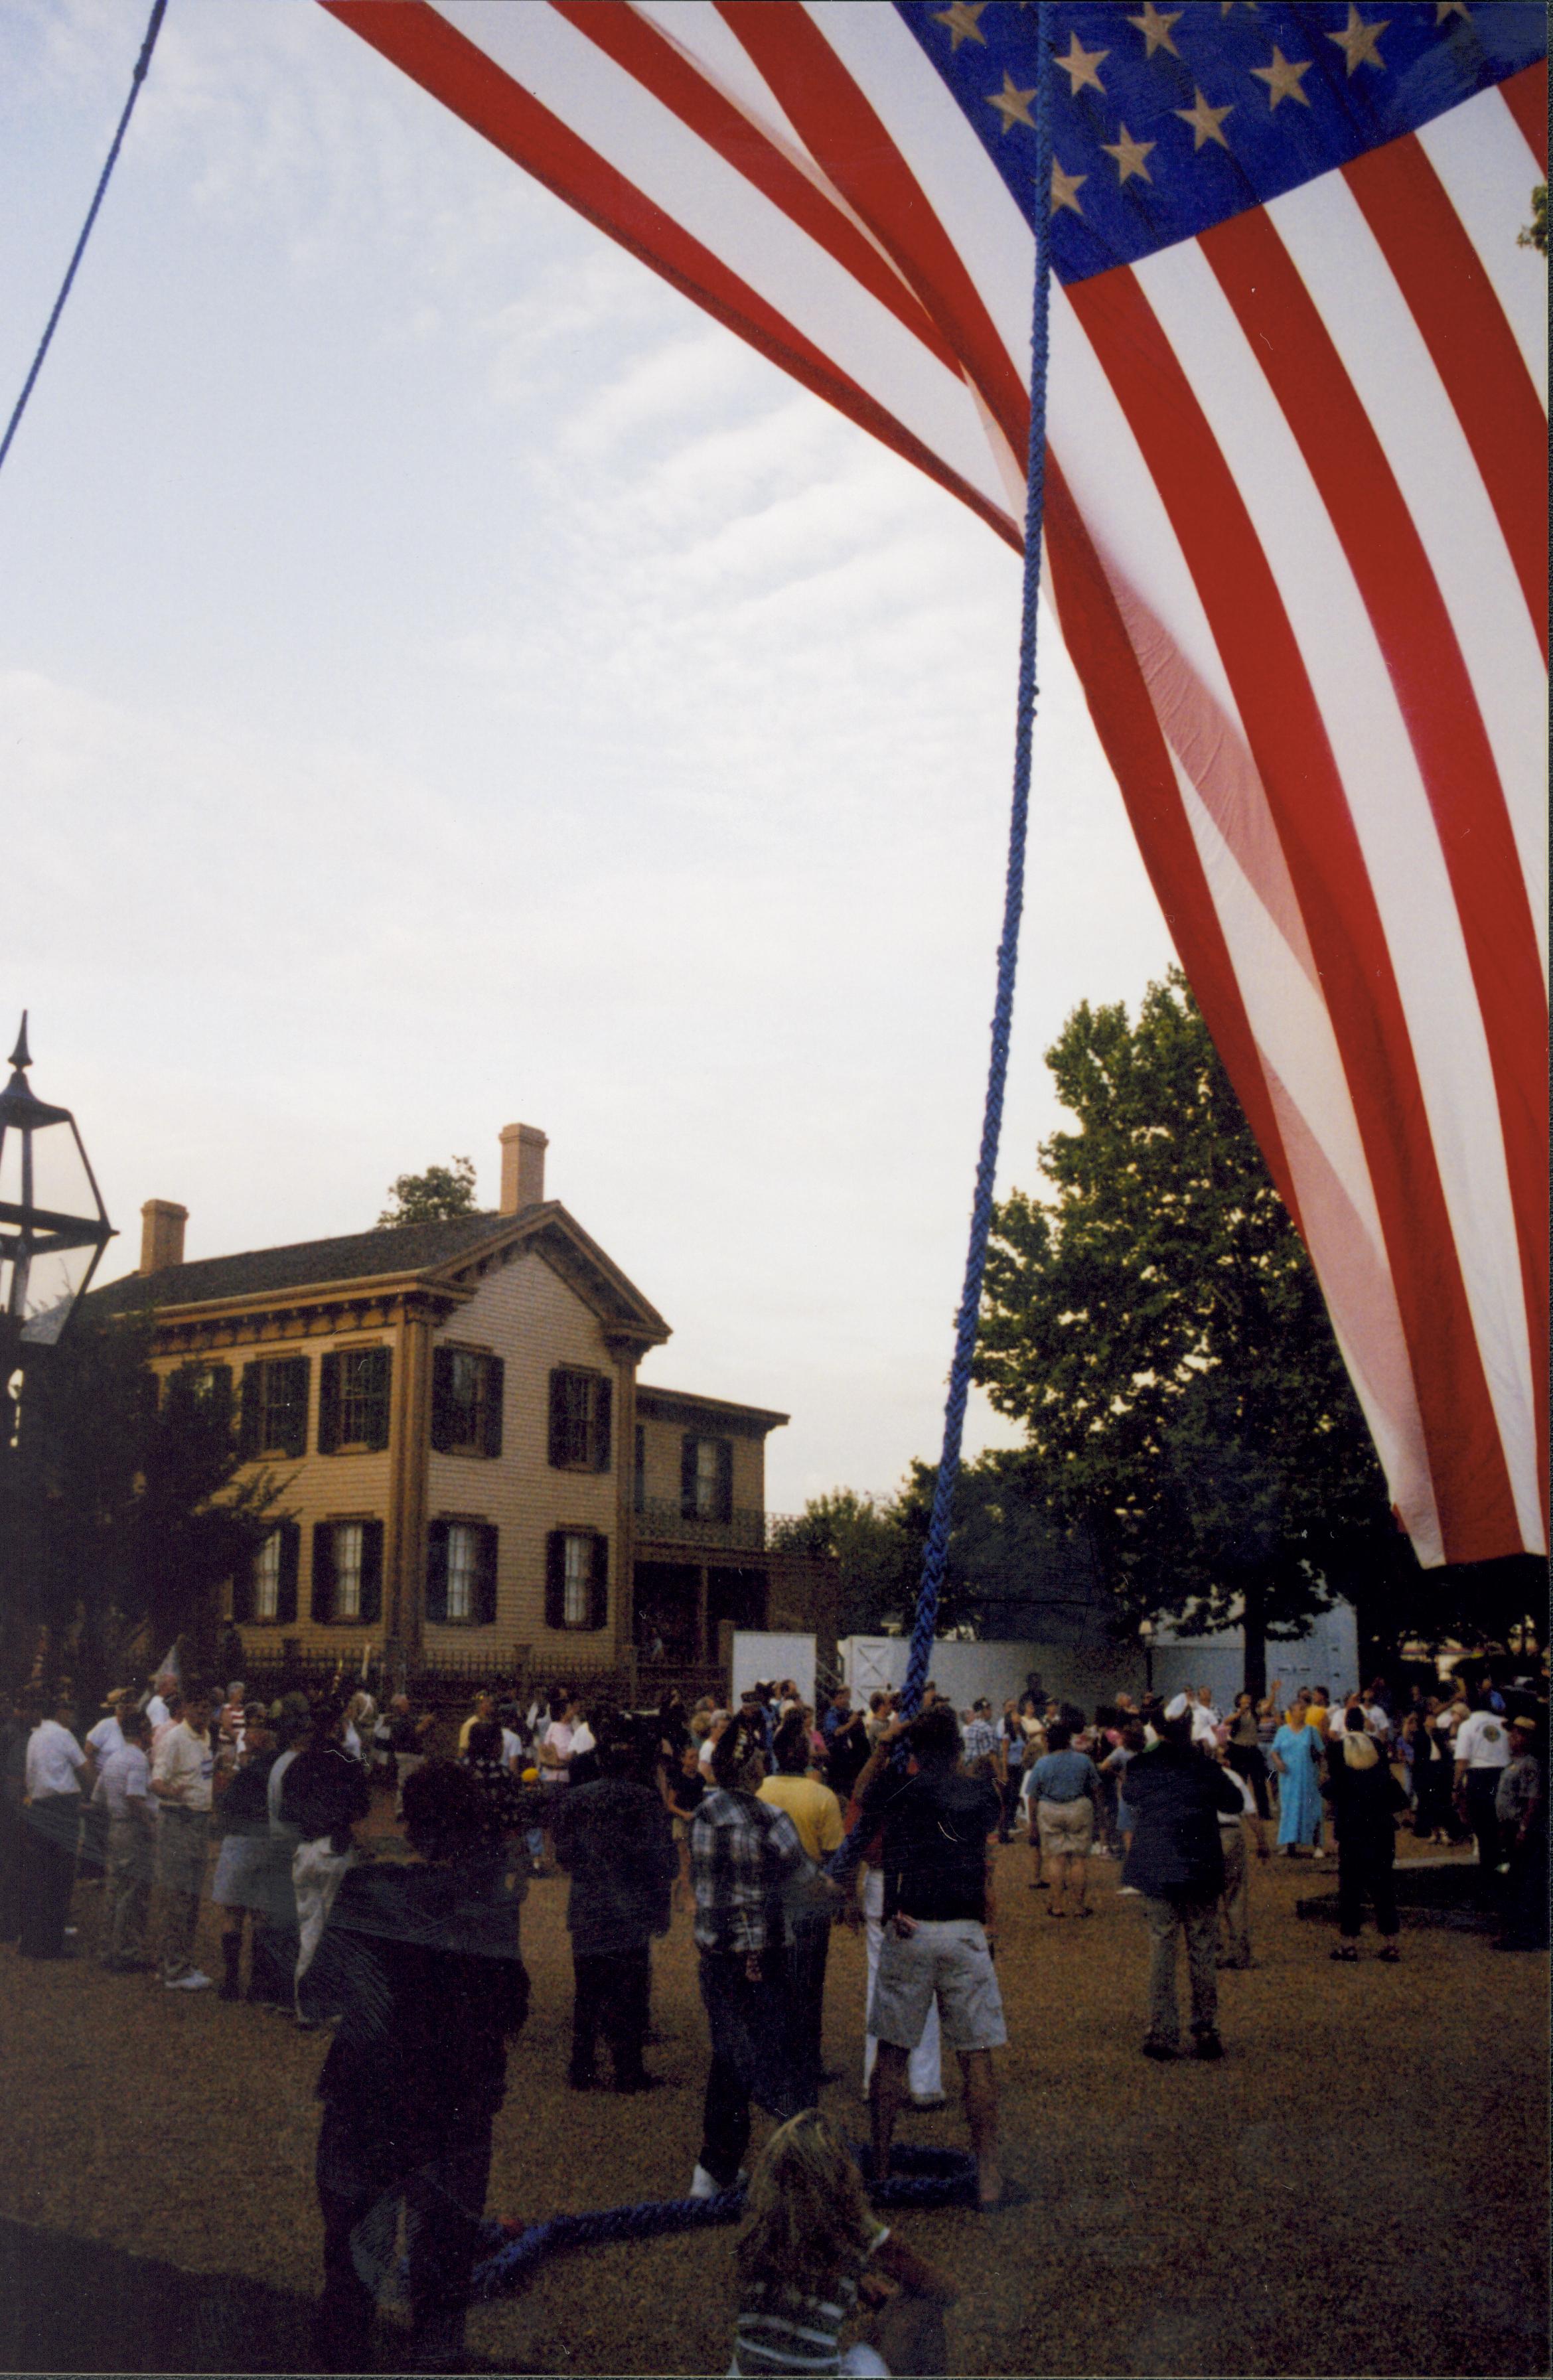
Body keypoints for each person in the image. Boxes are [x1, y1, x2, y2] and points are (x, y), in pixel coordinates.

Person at [308, 1760, 530, 2372]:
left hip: (367, 2094)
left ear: (413, 1825)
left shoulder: (369, 1887)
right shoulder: (488, 1897)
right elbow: (512, 2004)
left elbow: (321, 1989)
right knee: (442, 2272)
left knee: (353, 2265)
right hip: (455, 2100)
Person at [855, 1705, 1008, 2209]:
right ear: (958, 1748)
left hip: (911, 1924)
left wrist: (884, 1745)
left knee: (892, 2052)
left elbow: (861, 1796)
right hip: (964, 1930)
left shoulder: (903, 1791)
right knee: (975, 2057)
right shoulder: (978, 1792)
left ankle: (879, 2167)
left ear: (916, 1750)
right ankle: (988, 2175)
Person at [687, 1714, 819, 2200]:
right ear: (749, 1769)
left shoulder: (702, 1815)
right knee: (773, 2057)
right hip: (760, 1957)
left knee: (730, 2054)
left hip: (716, 1957)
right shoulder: (768, 1819)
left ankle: (716, 2168)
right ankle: (792, 2169)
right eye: (759, 1757)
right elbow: (806, 1878)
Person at [729, 2108, 958, 2379]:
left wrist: (856, 2278)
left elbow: (800, 2263)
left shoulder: (760, 2229)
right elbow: (944, 2289)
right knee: (923, 2305)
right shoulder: (855, 2229)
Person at [551, 1718, 676, 2092]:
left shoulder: (577, 1799)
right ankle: (628, 2070)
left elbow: (566, 1855)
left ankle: (582, 2067)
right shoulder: (646, 1800)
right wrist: (659, 1909)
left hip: (589, 1906)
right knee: (631, 1993)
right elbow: (663, 1862)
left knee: (587, 1993)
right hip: (631, 1910)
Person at [1122, 1709, 1245, 2061]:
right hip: (1200, 1864)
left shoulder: (1142, 1766)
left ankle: (1162, 2031)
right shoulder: (1204, 1765)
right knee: (1203, 1947)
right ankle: (1205, 2028)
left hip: (1159, 1863)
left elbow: (1130, 1797)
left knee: (1162, 1946)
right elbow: (1233, 1802)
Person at [759, 1714, 846, 2099]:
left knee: (770, 1979)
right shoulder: (822, 1796)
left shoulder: (759, 1791)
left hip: (767, 1897)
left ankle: (772, 2061)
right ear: (805, 1755)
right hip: (809, 1898)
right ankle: (807, 2064)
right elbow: (833, 1856)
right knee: (809, 1985)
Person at [281, 1696, 372, 2022]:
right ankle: (331, 2004)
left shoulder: (297, 1764)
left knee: (309, 1929)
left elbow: (287, 1811)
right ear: (338, 1726)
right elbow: (360, 1809)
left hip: (304, 1849)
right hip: (334, 1848)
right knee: (335, 1930)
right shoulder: (347, 1761)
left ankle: (306, 2008)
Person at [1322, 1706, 1406, 1961]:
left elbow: (1331, 1789)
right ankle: (1391, 1943)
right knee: (1383, 1885)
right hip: (1380, 1827)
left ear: (1347, 1725)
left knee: (1350, 1887)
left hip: (1352, 1828)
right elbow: (1396, 1794)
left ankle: (1349, 1944)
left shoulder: (1338, 1751)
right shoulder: (1378, 1749)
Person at [210, 1705, 281, 1999]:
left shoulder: (247, 1772)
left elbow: (225, 1806)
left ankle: (231, 1980)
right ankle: (257, 1983)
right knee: (261, 1915)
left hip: (240, 1842)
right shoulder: (277, 1769)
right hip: (266, 1842)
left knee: (234, 1913)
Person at [150, 1678, 215, 1988]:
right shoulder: (175, 1738)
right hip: (178, 1821)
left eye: (208, 1708)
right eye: (197, 1707)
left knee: (190, 1896)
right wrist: (174, 1792)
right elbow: (157, 1781)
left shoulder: (205, 1737)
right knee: (176, 1895)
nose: (203, 1713)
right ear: (186, 1708)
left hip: (199, 1822)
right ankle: (173, 1968)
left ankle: (182, 1962)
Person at [19, 1694, 90, 1960]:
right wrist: (94, 1796)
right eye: (68, 1708)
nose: (71, 1713)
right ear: (59, 1711)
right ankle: (52, 1943)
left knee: (39, 1877)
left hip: (39, 1806)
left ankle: (33, 1941)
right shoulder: (63, 1736)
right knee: (60, 1877)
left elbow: (30, 1777)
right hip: (62, 1808)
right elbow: (85, 1769)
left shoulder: (35, 1736)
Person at [97, 1704, 157, 1971]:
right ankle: (126, 1952)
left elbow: (97, 1798)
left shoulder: (114, 1758)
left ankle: (110, 1948)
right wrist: (150, 1826)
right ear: (142, 1732)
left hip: (116, 1827)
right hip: (133, 1830)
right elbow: (134, 1796)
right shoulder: (137, 1759)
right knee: (133, 1892)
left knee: (115, 1889)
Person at [1021, 1721, 1101, 1919]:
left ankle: (1057, 1906)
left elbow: (1033, 1795)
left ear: (1048, 1742)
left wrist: (1032, 1822)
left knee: (1056, 1858)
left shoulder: (1042, 1763)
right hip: (1078, 1808)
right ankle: (1079, 1907)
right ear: (1068, 1740)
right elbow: (1096, 1789)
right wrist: (1100, 1815)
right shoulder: (1084, 1761)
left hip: (1050, 1809)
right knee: (1078, 1860)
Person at [1493, 1713, 1547, 1952]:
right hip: (1508, 1826)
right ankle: (1512, 1932)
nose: (1511, 1738)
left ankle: (1522, 1935)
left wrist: (1524, 1828)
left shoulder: (1529, 1764)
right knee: (1511, 1880)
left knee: (1522, 1881)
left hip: (1519, 1827)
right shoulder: (1513, 1762)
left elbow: (1533, 1799)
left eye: (1516, 1733)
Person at [1453, 1689, 1512, 1897]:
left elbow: (1462, 1761)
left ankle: (1489, 1883)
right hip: (1503, 1776)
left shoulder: (1468, 1726)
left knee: (1484, 1833)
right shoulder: (1503, 1723)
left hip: (1480, 1778)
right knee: (1503, 1829)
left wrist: (1456, 1786)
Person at [1214, 1748, 1267, 1971]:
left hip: (1202, 1835)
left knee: (1207, 1898)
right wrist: (1262, 1841)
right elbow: (1251, 1814)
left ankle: (1213, 1952)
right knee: (1234, 1895)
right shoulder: (1233, 1777)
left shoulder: (1191, 1776)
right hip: (1230, 1833)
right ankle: (1241, 1953)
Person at [1270, 1706, 1325, 1857]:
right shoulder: (1282, 1731)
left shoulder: (1312, 1731)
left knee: (1312, 1808)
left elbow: (1321, 1753)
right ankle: (1290, 1845)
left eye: (1304, 1710)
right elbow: (1274, 1751)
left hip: (1308, 1777)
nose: (1303, 1713)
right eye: (1300, 1710)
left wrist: (1323, 1773)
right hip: (1288, 1778)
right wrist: (1278, 1762)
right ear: (1292, 1713)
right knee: (1289, 1810)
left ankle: (1317, 1846)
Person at [1224, 1693, 1270, 1820]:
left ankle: (1264, 1812)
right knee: (1239, 1780)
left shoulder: (1255, 1713)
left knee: (1259, 1782)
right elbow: (1226, 1722)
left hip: (1253, 1750)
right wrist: (1240, 1713)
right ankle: (1237, 1809)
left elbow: (1267, 1708)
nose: (1248, 1701)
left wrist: (1273, 1693)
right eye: (1245, 1699)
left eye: (1249, 1699)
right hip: (1239, 1750)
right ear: (1239, 1702)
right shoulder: (1235, 1714)